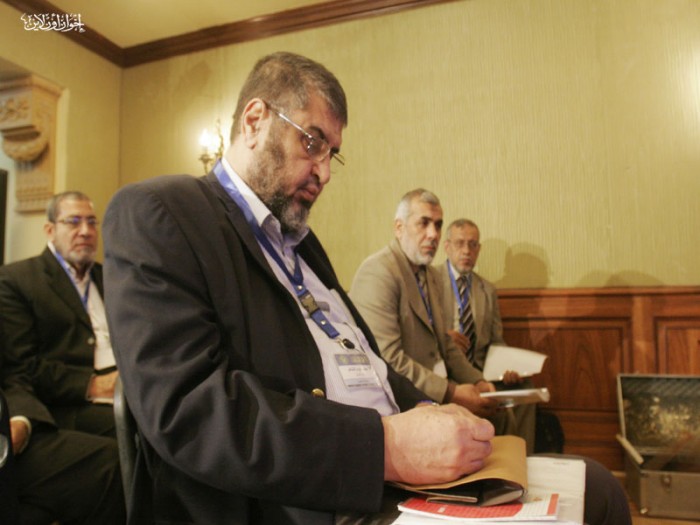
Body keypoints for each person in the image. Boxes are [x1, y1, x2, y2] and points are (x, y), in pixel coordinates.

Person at [102, 52, 631, 525]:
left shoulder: (302, 246)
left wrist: (435, 413)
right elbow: (189, 408)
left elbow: (370, 365)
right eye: (312, 142)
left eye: (332, 153)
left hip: (392, 475)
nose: (324, 172)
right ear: (255, 121)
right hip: (307, 496)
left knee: (597, 485)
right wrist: (385, 447)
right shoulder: (162, 213)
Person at [349, 189, 500, 419]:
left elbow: (445, 344)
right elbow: (388, 359)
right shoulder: (378, 272)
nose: (433, 234)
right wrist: (451, 392)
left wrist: (477, 380)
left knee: (499, 412)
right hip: (399, 402)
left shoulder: (431, 275)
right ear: (399, 228)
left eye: (438, 225)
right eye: (424, 223)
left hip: (433, 392)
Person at [0, 191, 118, 437]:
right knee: (142, 429)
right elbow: (23, 367)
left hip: (127, 387)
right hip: (73, 403)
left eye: (92, 222)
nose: (85, 231)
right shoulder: (17, 280)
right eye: (73, 222)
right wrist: (95, 385)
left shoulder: (110, 277)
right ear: (50, 230)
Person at [0, 318, 125, 524]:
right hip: (60, 401)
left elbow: (13, 374)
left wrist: (21, 419)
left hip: (9, 440)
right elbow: (31, 367)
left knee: (106, 465)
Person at [439, 218, 536, 453]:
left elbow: (496, 341)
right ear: (447, 246)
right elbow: (419, 335)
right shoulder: (429, 281)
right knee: (498, 408)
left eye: (473, 245)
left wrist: (508, 368)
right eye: (460, 243)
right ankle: (503, 461)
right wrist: (444, 337)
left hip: (483, 372)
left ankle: (521, 459)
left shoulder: (487, 290)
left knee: (526, 391)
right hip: (447, 372)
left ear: (479, 249)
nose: (466, 251)